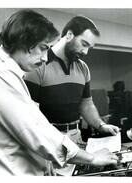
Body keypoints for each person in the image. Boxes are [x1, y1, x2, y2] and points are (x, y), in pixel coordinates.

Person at [0, 9, 118, 176]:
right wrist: (91, 158)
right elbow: (36, 131)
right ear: (23, 40)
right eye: (42, 48)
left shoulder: (1, 73)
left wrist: (47, 164)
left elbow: (27, 131)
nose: (44, 58)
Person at [24, 16, 120, 147]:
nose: (86, 52)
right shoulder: (38, 65)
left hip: (76, 137)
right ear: (69, 35)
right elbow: (29, 116)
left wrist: (101, 125)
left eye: (89, 48)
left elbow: (86, 104)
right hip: (48, 140)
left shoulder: (83, 68)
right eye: (84, 44)